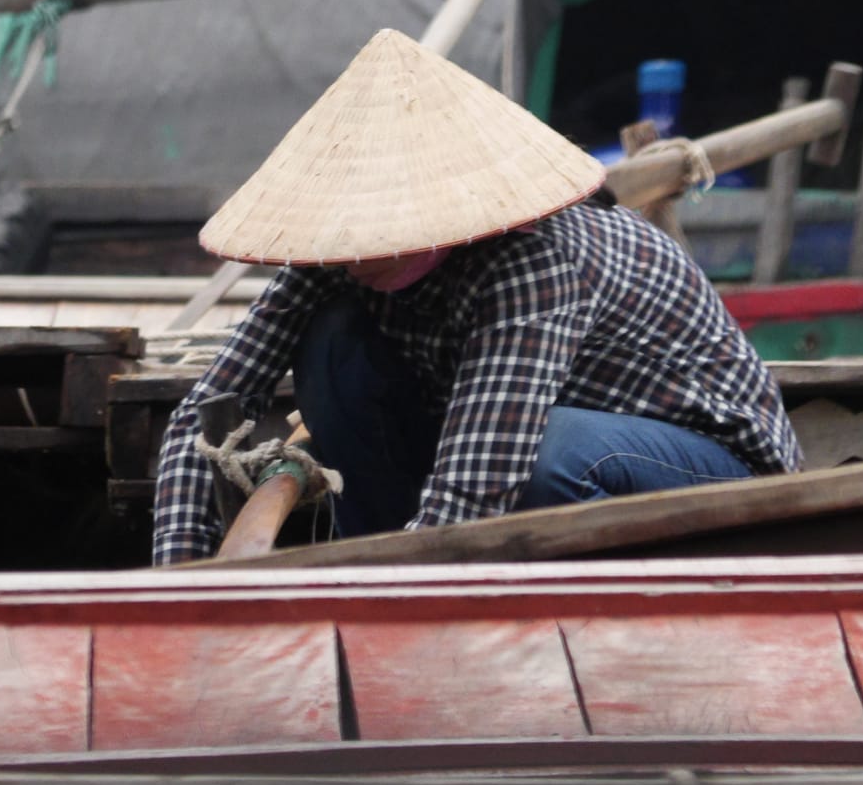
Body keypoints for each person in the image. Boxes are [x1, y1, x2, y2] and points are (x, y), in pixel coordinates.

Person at [150, 28, 802, 565]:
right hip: (507, 448)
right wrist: (175, 578)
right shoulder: (341, 253)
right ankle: (371, 555)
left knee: (551, 454)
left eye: (376, 232)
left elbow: (472, 490)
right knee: (331, 342)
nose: (352, 253)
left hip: (709, 468)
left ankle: (432, 600)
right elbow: (207, 415)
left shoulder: (532, 259)